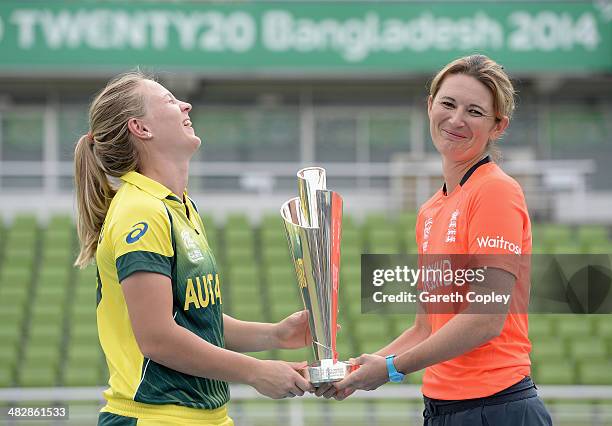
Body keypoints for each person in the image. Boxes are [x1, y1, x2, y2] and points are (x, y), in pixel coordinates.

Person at [74, 71, 313, 426]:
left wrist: (275, 334)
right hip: (155, 417)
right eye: (169, 101)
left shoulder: (179, 206)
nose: (185, 104)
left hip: (205, 416)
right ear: (141, 128)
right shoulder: (141, 210)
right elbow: (157, 337)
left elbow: (193, 321)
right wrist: (255, 372)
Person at [328, 55, 553, 425]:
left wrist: (390, 369)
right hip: (442, 409)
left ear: (499, 126)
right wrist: (355, 369)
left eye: (475, 111)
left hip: (497, 407)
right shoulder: (431, 209)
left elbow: (486, 318)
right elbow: (425, 327)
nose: (456, 119)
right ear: (429, 106)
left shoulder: (496, 191)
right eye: (448, 103)